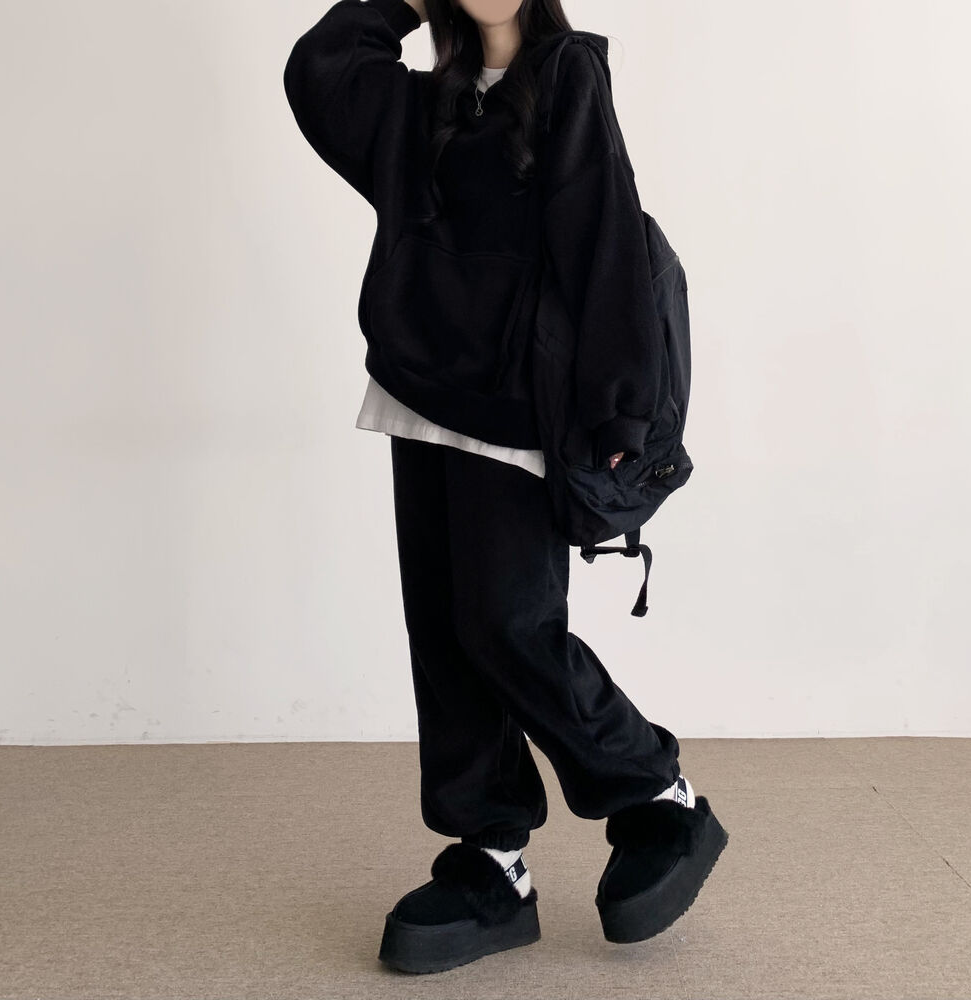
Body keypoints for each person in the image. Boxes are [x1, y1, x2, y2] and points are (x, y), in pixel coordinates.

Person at [283, 0, 728, 974]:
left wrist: (619, 413)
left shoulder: (566, 77)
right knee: (445, 637)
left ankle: (655, 793)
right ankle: (490, 860)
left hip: (517, 413)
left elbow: (605, 237)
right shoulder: (420, 105)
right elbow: (319, 71)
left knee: (506, 626)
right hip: (417, 395)